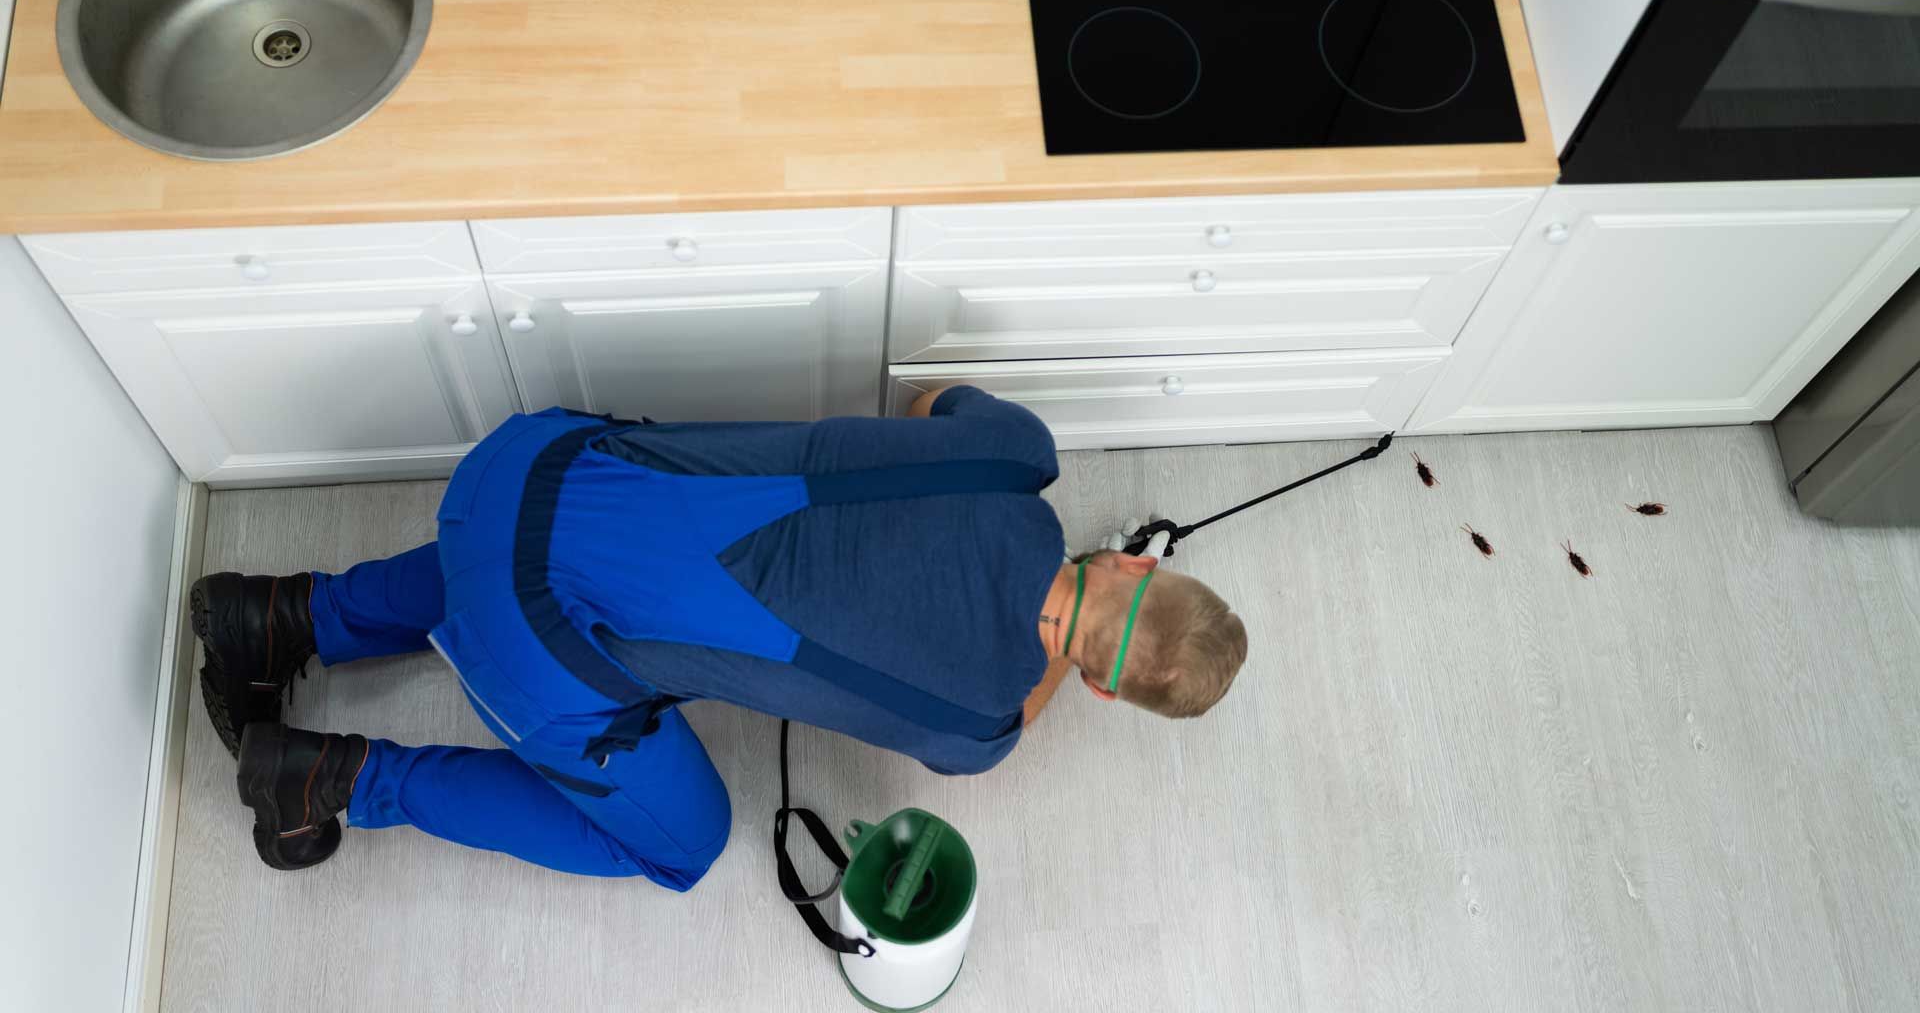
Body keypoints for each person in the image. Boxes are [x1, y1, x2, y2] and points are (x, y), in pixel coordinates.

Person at [193, 386, 1249, 885]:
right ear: (1111, 692)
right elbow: (1017, 709)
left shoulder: (1018, 453)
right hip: (525, 638)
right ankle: (335, 776)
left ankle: (285, 613)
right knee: (681, 844)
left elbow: (929, 397)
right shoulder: (982, 723)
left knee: (567, 548)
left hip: (532, 459)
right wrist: (1069, 658)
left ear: (1135, 561)